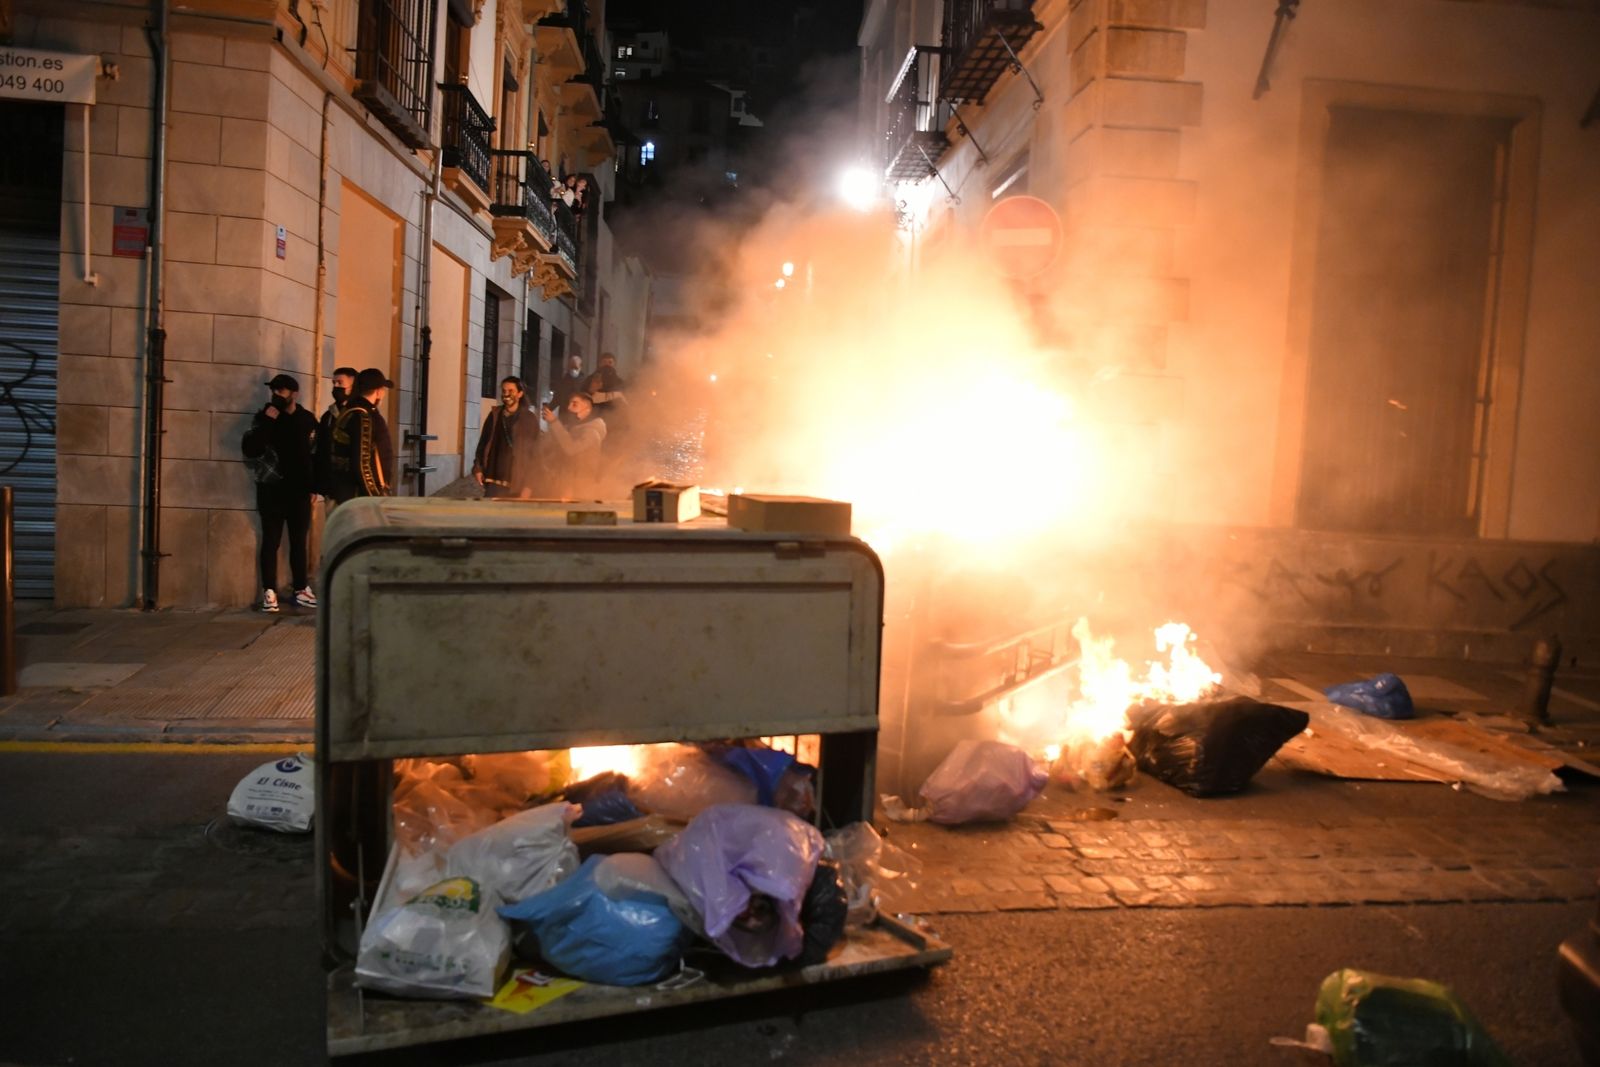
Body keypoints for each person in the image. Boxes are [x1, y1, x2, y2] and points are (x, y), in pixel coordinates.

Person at [242, 373, 319, 613]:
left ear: (294, 394)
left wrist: (314, 487)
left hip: (299, 492)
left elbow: (314, 456)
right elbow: (251, 450)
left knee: (298, 542)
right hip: (272, 491)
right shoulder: (264, 418)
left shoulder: (307, 420)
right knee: (271, 541)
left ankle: (300, 589)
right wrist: (267, 421)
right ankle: (269, 592)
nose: (276, 395)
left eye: (281, 391)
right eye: (274, 390)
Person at [328, 367, 395, 503]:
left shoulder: (351, 410)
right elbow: (362, 460)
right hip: (356, 494)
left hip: (346, 489)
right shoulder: (363, 416)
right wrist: (373, 496)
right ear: (378, 391)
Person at [472, 376, 542, 497]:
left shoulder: (529, 419)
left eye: (510, 391)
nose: (506, 394)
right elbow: (483, 443)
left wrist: (529, 485)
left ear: (520, 394)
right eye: (504, 391)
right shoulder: (494, 415)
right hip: (494, 478)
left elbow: (535, 454)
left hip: (518, 481)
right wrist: (478, 468)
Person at [540, 390, 607, 497]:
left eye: (574, 404)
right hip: (567, 485)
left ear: (587, 408)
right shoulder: (572, 428)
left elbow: (571, 449)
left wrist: (554, 422)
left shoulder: (592, 432)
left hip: (581, 489)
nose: (569, 408)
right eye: (569, 403)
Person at [314, 365, 357, 506]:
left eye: (340, 383)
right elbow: (320, 448)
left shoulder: (358, 414)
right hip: (331, 486)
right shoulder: (328, 416)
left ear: (353, 386)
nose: (336, 387)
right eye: (334, 383)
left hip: (352, 486)